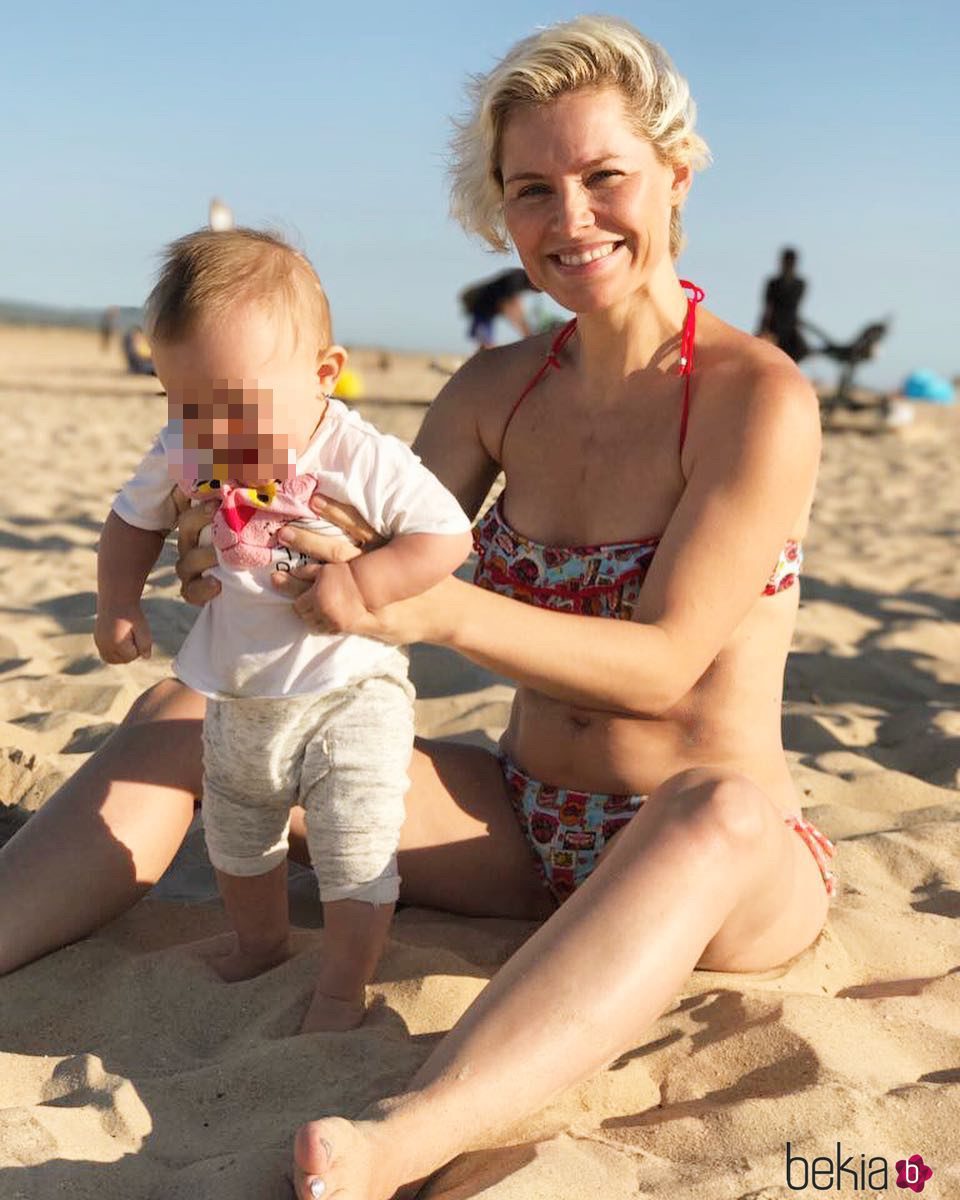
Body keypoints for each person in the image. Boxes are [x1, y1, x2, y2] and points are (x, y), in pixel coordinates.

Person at [0, 17, 834, 1200]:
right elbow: (339, 540)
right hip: (520, 824)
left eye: (605, 177)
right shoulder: (497, 390)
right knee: (189, 705)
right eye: (533, 189)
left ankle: (408, 1136)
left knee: (717, 813)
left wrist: (433, 611)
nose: (572, 218)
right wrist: (238, 557)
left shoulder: (757, 400)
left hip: (719, 854)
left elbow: (661, 669)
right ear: (500, 211)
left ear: (676, 172)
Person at [95, 228, 472, 1032]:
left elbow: (446, 536)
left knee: (355, 838)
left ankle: (342, 983)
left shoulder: (360, 455)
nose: (209, 431)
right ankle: (260, 944)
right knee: (237, 830)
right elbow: (130, 525)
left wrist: (364, 581)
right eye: (180, 402)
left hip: (351, 685)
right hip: (240, 687)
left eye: (234, 405)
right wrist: (117, 604)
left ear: (323, 375)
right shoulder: (184, 448)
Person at [459, 266, 535, 348]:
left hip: (486, 307)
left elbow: (513, 308)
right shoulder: (518, 278)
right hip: (481, 303)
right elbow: (511, 307)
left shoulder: (520, 280)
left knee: (485, 340)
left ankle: (485, 355)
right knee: (485, 341)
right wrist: (527, 333)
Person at [757, 247, 808, 362]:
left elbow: (796, 306)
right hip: (774, 326)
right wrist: (763, 329)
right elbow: (767, 307)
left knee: (801, 352)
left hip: (791, 327)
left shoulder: (800, 284)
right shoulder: (773, 283)